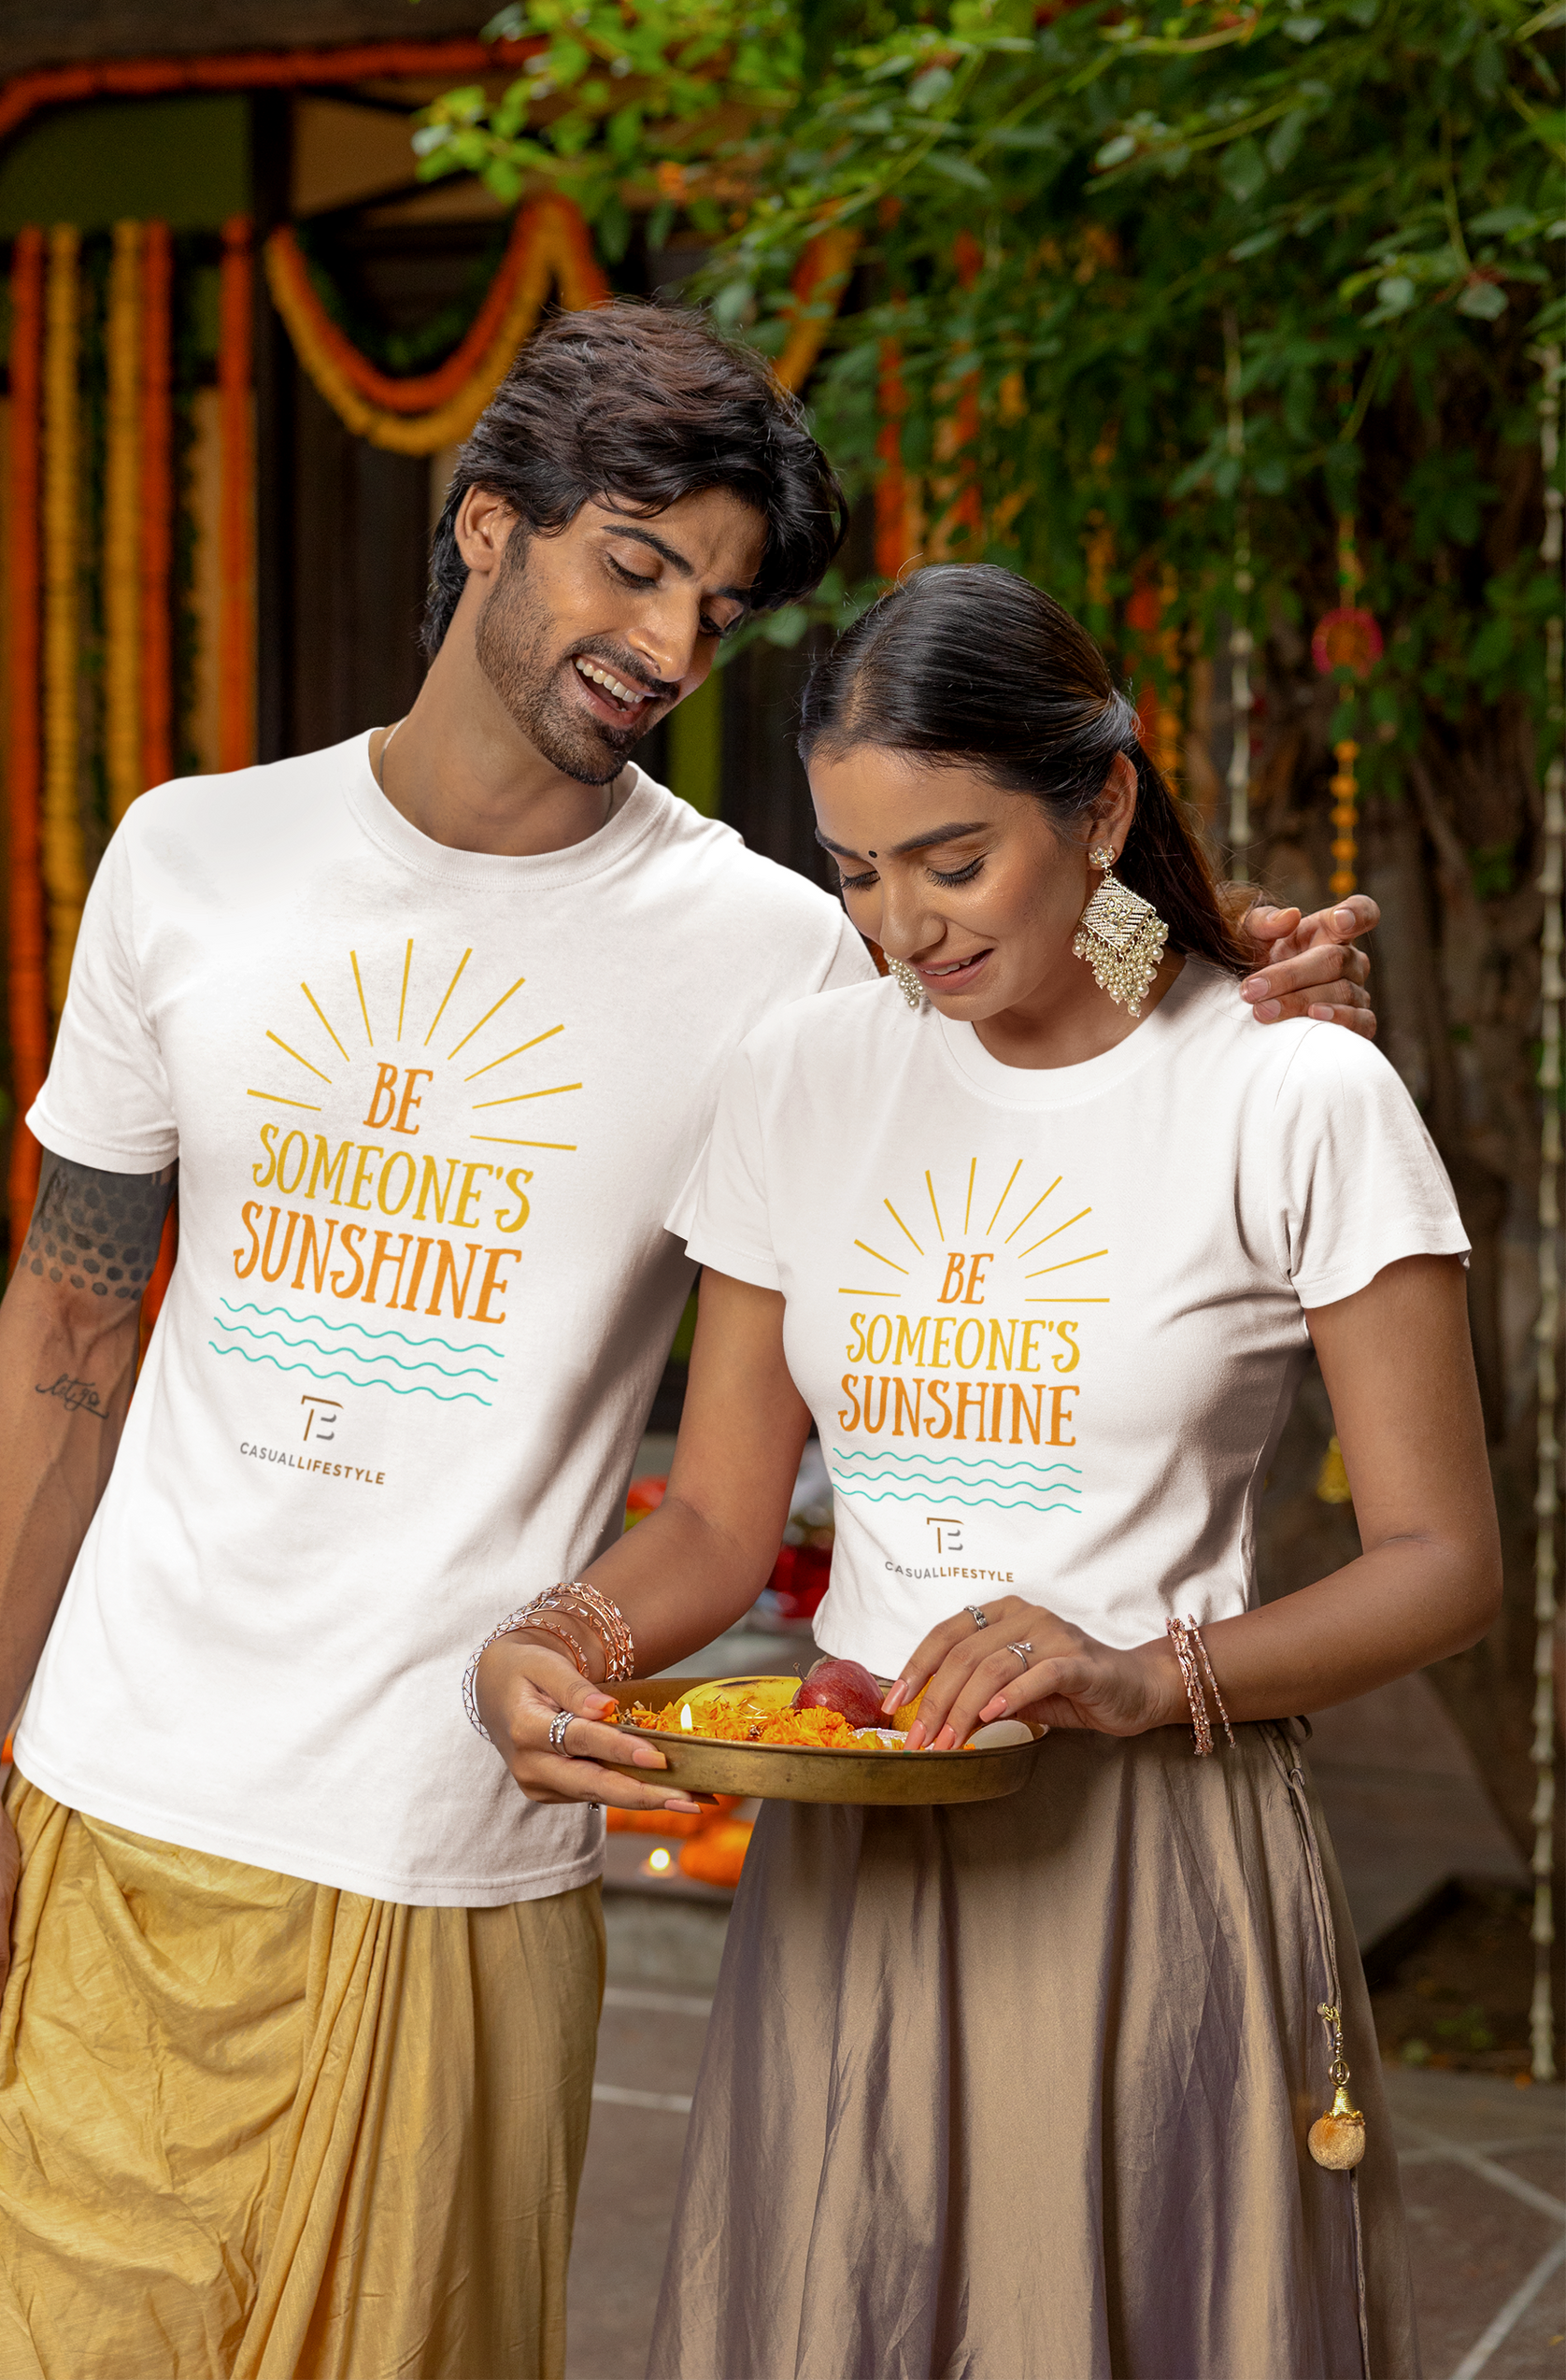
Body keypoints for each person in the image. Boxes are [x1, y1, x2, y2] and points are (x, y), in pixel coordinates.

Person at [0, 303, 1376, 2380]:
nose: (673, 649)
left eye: (722, 604)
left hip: (452, 1856)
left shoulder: (773, 948)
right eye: (633, 563)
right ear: (488, 526)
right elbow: (67, 1323)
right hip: (110, 1811)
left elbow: (1049, 970)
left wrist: (1249, 978)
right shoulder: (187, 860)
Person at [471, 563, 1497, 2380]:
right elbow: (715, 1518)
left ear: (1099, 803)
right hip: (856, 1868)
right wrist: (555, 1637)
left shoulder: (1290, 1094)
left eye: (953, 862)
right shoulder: (803, 1077)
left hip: (1154, 1871)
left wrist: (1135, 1668)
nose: (905, 930)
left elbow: (1440, 1559)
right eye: (858, 875)